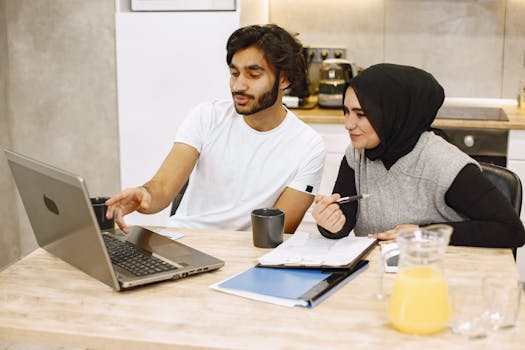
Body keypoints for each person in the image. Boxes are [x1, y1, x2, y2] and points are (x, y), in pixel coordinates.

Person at [106, 24, 325, 234]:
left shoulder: (308, 146)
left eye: (253, 74)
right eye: (235, 73)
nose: (238, 86)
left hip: (246, 253)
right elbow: (163, 186)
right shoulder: (207, 116)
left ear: (284, 79)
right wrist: (143, 194)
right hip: (184, 239)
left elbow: (276, 231)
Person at [312, 63, 525, 248]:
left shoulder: (444, 164)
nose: (348, 124)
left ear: (392, 114)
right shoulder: (356, 156)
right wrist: (331, 223)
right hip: (378, 274)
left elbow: (511, 230)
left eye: (361, 114)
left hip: (434, 273)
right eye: (346, 112)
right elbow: (344, 220)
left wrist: (423, 234)